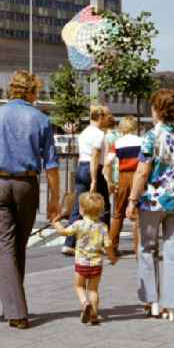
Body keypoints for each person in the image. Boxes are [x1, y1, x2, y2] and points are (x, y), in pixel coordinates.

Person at [0, 70, 60, 329]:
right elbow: (51, 165)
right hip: (26, 184)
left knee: (8, 246)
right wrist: (54, 199)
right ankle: (16, 309)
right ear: (31, 92)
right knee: (17, 245)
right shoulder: (41, 119)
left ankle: (13, 305)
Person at [127, 89, 174, 322]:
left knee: (147, 249)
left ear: (157, 110)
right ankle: (172, 305)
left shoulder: (151, 136)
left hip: (152, 202)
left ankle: (152, 301)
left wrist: (132, 200)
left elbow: (142, 171)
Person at [52, 192, 117, 325]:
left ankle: (84, 302)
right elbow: (109, 245)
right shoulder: (103, 227)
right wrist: (112, 258)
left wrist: (55, 222)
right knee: (93, 289)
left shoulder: (78, 224)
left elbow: (63, 232)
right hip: (97, 264)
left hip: (81, 263)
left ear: (81, 209)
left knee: (78, 286)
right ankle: (94, 315)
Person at [62, 105, 111, 256]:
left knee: (78, 205)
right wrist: (95, 179)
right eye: (107, 116)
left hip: (81, 167)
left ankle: (69, 243)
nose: (108, 119)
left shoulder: (84, 132)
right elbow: (95, 156)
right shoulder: (99, 134)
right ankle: (102, 243)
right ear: (100, 117)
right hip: (92, 169)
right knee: (104, 205)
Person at [104, 115, 143, 255]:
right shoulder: (142, 141)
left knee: (118, 212)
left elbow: (108, 162)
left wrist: (109, 180)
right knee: (139, 214)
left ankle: (112, 247)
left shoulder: (118, 143)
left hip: (123, 178)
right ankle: (138, 248)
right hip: (139, 176)